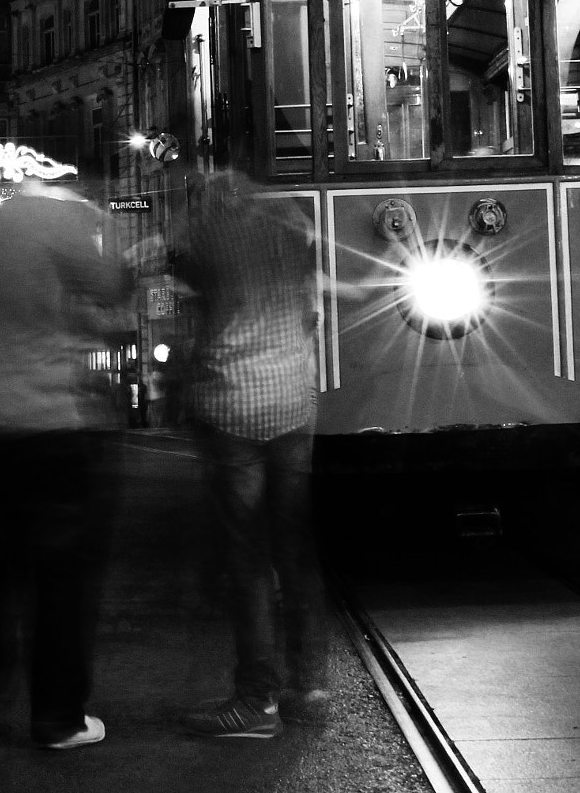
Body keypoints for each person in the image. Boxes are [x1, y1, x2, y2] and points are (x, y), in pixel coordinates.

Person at [0, 176, 132, 750]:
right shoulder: (62, 220)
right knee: (61, 576)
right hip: (49, 423)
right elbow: (110, 285)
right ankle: (57, 717)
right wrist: (125, 251)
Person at [171, 170, 328, 738]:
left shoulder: (207, 236)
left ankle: (255, 701)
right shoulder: (291, 233)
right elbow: (312, 309)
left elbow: (187, 285)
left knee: (248, 557)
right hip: (291, 403)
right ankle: (309, 687)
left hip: (234, 406)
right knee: (295, 549)